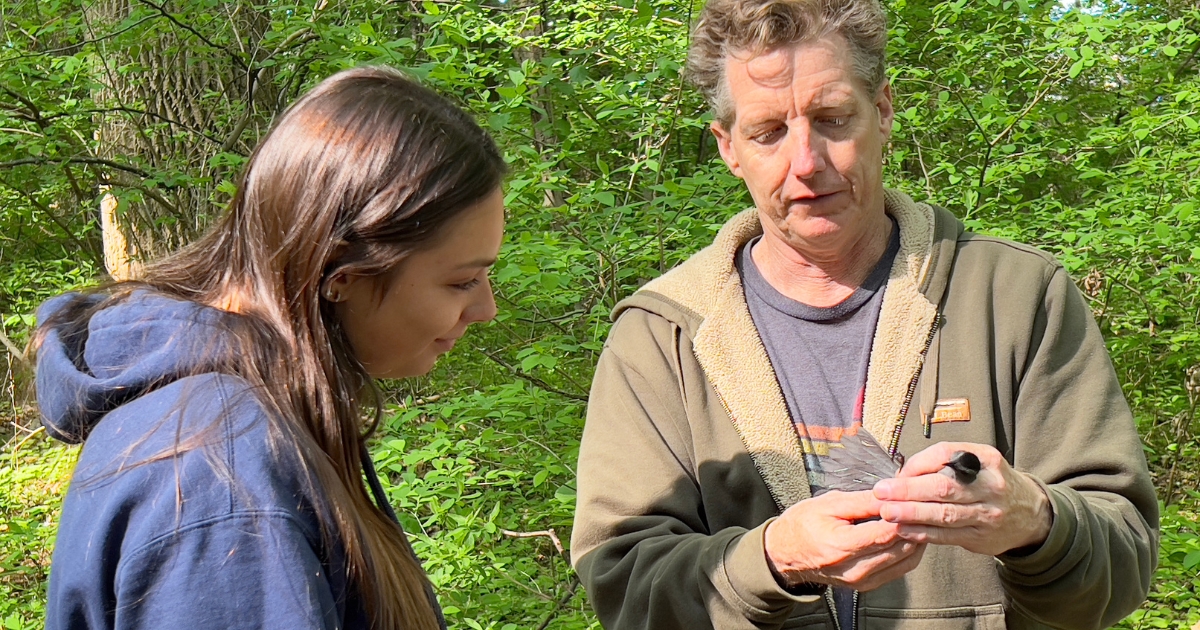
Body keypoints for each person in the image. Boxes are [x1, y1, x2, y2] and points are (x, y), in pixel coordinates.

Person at [570, 1, 1158, 628]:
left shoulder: (1017, 298)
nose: (805, 162)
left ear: (882, 111)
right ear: (729, 148)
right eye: (769, 132)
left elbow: (1121, 566)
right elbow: (623, 588)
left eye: (831, 119)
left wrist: (1034, 520)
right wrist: (773, 558)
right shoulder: (661, 335)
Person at [33, 66, 506, 630]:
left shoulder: (242, 422)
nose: (486, 309)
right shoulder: (221, 477)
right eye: (461, 281)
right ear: (341, 274)